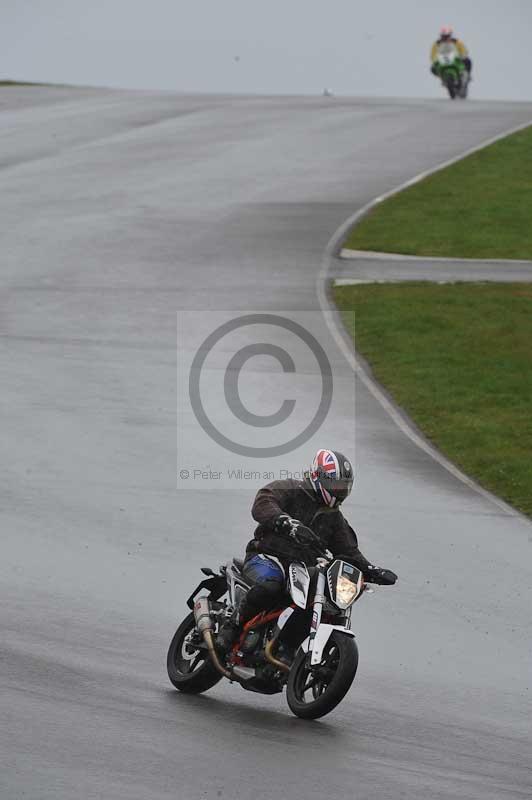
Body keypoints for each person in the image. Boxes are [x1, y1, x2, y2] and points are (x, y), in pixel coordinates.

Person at [217, 448, 398, 650]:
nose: (339, 490)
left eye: (343, 486)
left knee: (320, 601)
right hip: (267, 556)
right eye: (335, 484)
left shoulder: (334, 517)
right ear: (318, 476)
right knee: (271, 585)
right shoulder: (291, 489)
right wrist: (285, 522)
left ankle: (287, 648)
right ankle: (232, 626)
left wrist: (372, 570)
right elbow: (263, 502)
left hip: (301, 569)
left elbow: (349, 551)